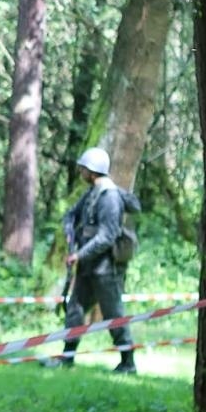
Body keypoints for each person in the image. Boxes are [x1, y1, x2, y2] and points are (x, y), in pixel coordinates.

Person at [48, 146, 139, 374]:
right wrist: (69, 229)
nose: (81, 172)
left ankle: (128, 362)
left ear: (92, 170)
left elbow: (107, 236)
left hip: (106, 268)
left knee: (113, 314)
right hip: (89, 267)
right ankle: (67, 357)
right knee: (75, 310)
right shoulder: (92, 193)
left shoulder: (110, 198)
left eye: (83, 169)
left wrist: (79, 254)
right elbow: (71, 214)